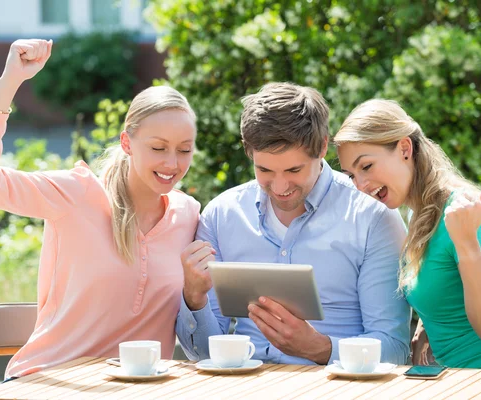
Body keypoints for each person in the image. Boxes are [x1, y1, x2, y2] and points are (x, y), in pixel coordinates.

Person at [0, 39, 200, 378]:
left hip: (137, 389)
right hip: (49, 381)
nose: (172, 163)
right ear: (127, 142)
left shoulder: (187, 215)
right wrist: (10, 81)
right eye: (159, 148)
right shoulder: (75, 195)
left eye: (184, 150)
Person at [176, 83, 411, 366]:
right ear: (248, 152)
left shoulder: (372, 218)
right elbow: (203, 354)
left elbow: (395, 348)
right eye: (264, 170)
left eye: (293, 170)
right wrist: (194, 298)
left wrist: (319, 348)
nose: (279, 186)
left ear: (323, 146)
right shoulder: (222, 216)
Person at [334, 99, 481, 370]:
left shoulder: (462, 211)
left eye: (366, 167)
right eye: (351, 175)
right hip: (465, 378)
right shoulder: (421, 216)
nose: (361, 185)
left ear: (405, 148)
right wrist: (431, 317)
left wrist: (467, 245)